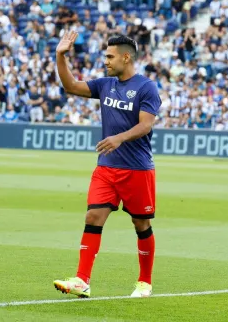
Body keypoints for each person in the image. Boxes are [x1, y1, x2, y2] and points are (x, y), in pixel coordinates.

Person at [53, 31, 162, 299]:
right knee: (93, 217)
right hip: (106, 168)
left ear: (127, 57)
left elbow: (146, 125)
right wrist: (60, 55)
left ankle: (144, 282)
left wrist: (119, 138)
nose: (106, 61)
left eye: (110, 57)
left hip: (137, 169)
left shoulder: (146, 87)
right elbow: (71, 86)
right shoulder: (105, 84)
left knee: (141, 225)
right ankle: (82, 280)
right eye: (105, 56)